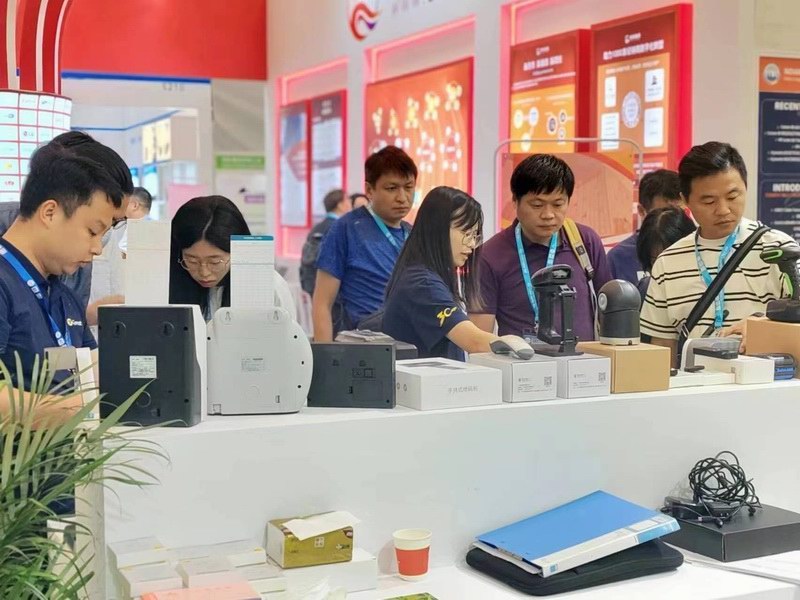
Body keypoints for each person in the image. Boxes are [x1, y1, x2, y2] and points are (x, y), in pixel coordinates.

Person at [0, 142, 125, 422]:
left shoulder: (63, 296)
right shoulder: (4, 284)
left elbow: (96, 371)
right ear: (50, 213)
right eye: (92, 231)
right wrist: (77, 409)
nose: (97, 249)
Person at [640, 141, 796, 363]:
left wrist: (762, 326)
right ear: (685, 200)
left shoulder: (779, 249)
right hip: (694, 383)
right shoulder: (668, 263)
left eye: (732, 197)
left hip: (765, 380)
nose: (723, 210)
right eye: (709, 201)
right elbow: (663, 346)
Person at [471, 154, 612, 343]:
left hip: (586, 359)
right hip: (523, 361)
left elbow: (610, 308)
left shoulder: (585, 241)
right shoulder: (489, 256)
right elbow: (479, 337)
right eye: (537, 205)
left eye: (558, 204)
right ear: (515, 202)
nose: (548, 215)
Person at [383, 187, 500, 360]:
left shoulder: (426, 275)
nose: (471, 244)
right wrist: (516, 345)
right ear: (437, 229)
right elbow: (475, 342)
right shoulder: (423, 284)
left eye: (474, 236)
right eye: (466, 233)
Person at [313, 146, 417, 341]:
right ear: (369, 190)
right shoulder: (346, 229)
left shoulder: (413, 234)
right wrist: (324, 354)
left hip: (410, 341)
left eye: (409, 187)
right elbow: (322, 304)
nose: (402, 197)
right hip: (364, 343)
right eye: (392, 188)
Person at [169, 196, 250, 321]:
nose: (204, 273)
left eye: (215, 262)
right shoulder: (165, 284)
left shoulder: (268, 287)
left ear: (238, 252)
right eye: (192, 261)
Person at [607, 169, 683, 287]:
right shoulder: (618, 257)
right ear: (642, 211)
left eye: (678, 213)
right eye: (663, 214)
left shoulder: (695, 250)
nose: (671, 222)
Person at [635, 207, 697, 302]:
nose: (665, 271)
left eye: (673, 260)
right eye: (656, 262)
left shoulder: (710, 286)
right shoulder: (646, 291)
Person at [300, 189, 351, 296]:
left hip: (312, 284)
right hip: (332, 290)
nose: (350, 203)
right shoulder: (339, 228)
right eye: (348, 200)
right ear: (340, 205)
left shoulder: (316, 228)